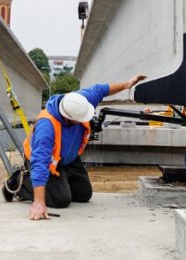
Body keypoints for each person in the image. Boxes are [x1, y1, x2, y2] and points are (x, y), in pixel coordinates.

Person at [19, 73, 147, 221]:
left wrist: (126, 84)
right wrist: (39, 203)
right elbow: (40, 162)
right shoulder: (46, 126)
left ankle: (61, 181)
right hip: (48, 163)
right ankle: (22, 184)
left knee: (83, 194)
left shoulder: (79, 102)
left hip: (69, 159)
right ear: (68, 118)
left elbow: (100, 89)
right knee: (61, 200)